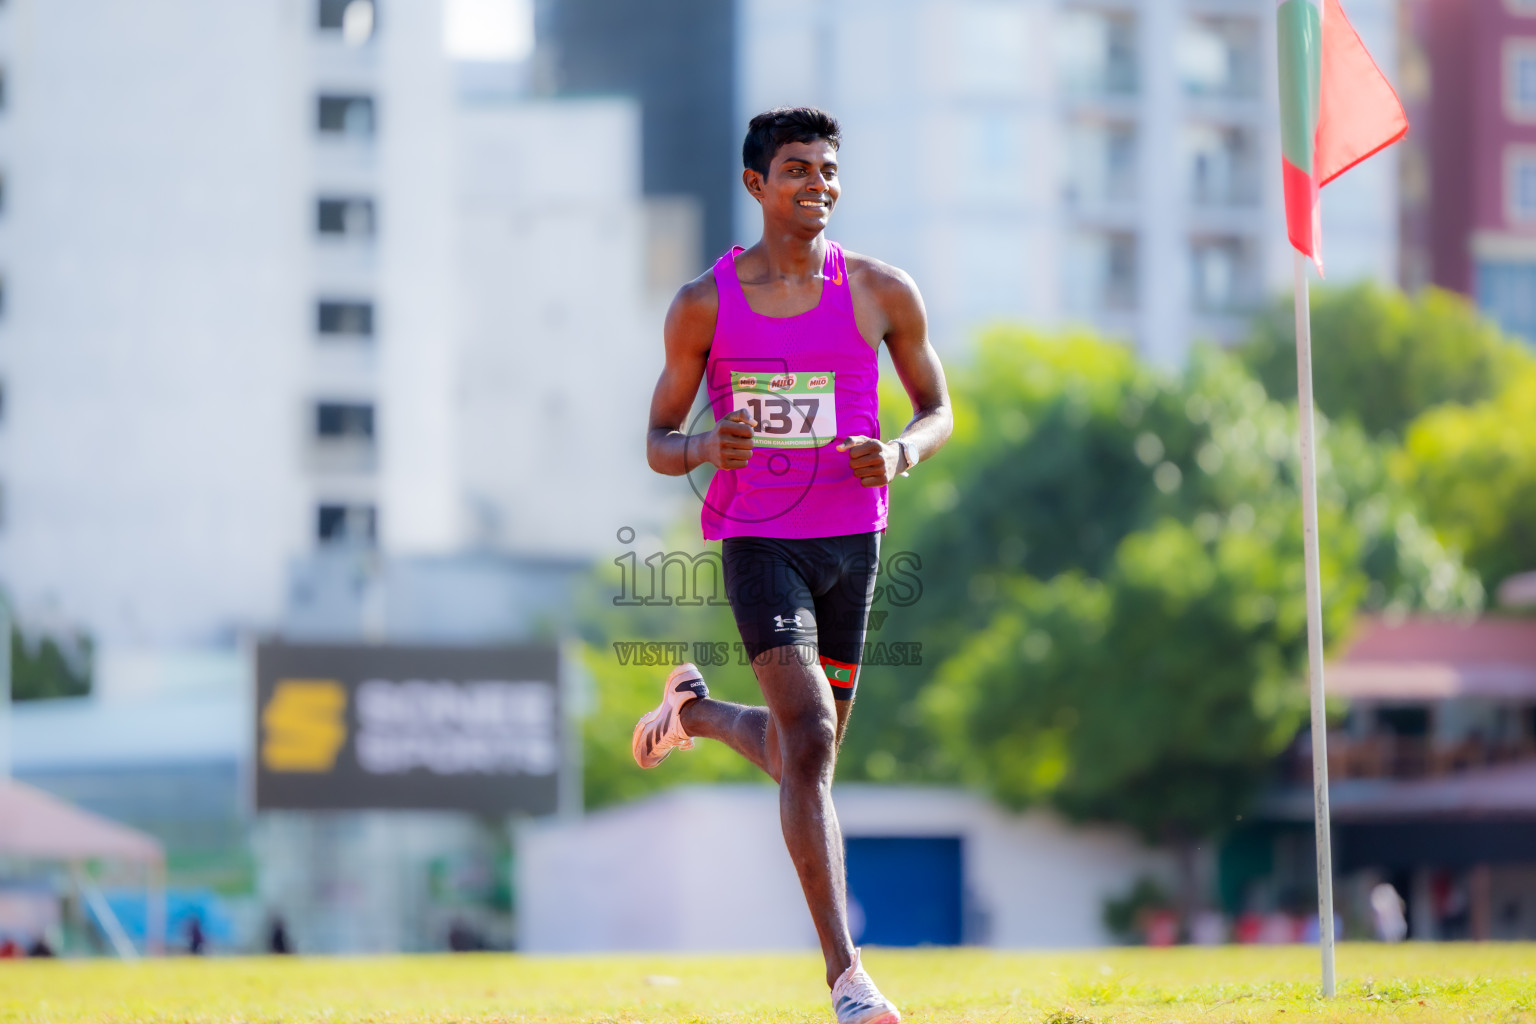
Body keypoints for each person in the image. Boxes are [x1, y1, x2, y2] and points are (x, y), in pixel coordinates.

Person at [636, 106, 951, 1024]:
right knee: (809, 737)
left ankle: (689, 712)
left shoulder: (882, 290)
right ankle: (848, 981)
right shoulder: (704, 301)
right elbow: (656, 439)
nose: (818, 184)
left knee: (798, 755)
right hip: (758, 541)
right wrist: (704, 445)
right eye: (797, 170)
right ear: (756, 186)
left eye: (828, 170)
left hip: (854, 542)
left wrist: (899, 453)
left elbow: (939, 409)